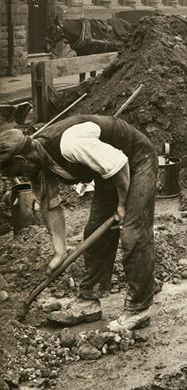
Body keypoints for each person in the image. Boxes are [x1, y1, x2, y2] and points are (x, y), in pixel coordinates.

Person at [0, 115, 157, 331]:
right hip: (109, 172)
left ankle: (139, 309)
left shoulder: (69, 144)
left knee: (133, 232)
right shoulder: (37, 165)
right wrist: (59, 252)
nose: (20, 177)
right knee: (94, 233)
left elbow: (119, 165)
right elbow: (51, 207)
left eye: (17, 173)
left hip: (136, 159)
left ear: (20, 160)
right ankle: (89, 301)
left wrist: (122, 204)